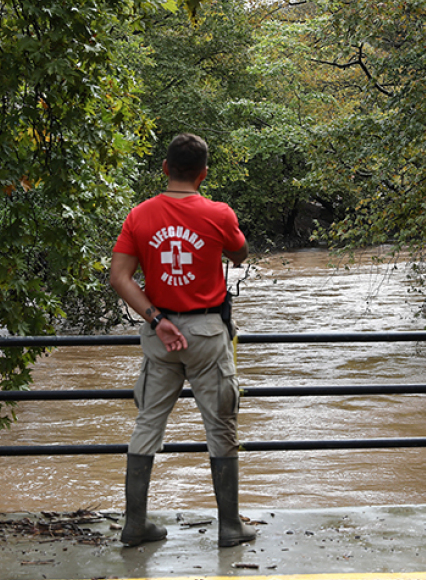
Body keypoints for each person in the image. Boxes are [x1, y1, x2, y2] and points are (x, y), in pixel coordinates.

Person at [109, 133, 256, 548]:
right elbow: (240, 254)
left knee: (147, 425)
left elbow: (120, 278)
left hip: (162, 334)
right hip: (208, 334)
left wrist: (157, 319)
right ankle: (230, 527)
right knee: (221, 424)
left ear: (165, 169)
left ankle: (135, 526)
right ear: (204, 174)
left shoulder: (139, 216)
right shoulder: (218, 213)